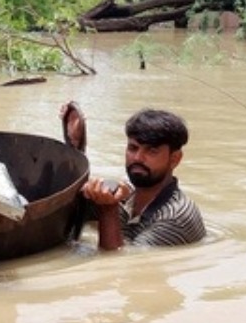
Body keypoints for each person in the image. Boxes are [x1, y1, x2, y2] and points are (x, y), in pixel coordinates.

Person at [63, 105, 206, 251]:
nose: (138, 158)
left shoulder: (175, 218)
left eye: (152, 151)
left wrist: (108, 209)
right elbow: (70, 197)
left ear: (174, 159)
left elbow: (117, 263)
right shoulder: (126, 196)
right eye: (133, 148)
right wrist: (75, 148)